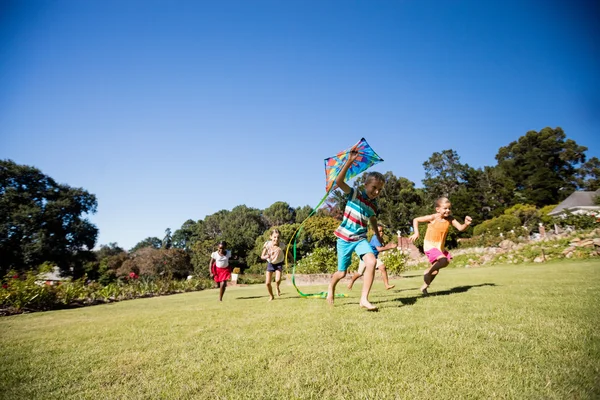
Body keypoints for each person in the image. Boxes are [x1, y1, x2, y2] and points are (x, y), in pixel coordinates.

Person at [327, 149, 386, 311]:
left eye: (379, 190)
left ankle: (364, 299)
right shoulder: (354, 194)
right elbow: (339, 182)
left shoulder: (373, 206)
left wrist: (379, 237)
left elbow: (373, 220)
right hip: (344, 239)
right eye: (374, 187)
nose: (376, 192)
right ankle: (331, 288)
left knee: (371, 261)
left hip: (360, 239)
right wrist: (349, 161)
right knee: (341, 273)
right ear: (365, 184)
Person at [409, 197, 472, 295]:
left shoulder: (450, 219)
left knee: (437, 270)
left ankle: (424, 287)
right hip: (430, 245)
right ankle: (428, 272)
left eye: (449, 208)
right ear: (437, 209)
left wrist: (466, 224)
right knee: (443, 260)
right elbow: (416, 219)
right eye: (445, 208)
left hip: (439, 247)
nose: (448, 210)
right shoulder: (433, 218)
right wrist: (416, 233)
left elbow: (460, 228)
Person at [347, 223, 397, 291]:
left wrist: (388, 245)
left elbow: (382, 247)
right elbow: (379, 249)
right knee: (359, 273)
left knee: (383, 267)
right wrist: (390, 246)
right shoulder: (375, 238)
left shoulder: (380, 239)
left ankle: (386, 285)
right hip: (366, 257)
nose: (381, 232)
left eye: (382, 231)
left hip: (373, 257)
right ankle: (351, 282)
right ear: (374, 232)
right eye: (379, 231)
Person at [261, 228, 287, 301]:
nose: (276, 239)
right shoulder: (267, 244)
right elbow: (262, 256)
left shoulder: (282, 245)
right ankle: (271, 296)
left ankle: (277, 287)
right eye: (274, 237)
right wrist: (266, 256)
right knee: (267, 283)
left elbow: (288, 252)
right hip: (270, 263)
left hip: (279, 263)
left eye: (278, 237)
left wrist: (292, 259)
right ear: (271, 237)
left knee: (278, 279)